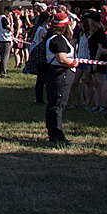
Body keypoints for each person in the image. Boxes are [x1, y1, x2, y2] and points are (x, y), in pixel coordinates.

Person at [43, 9, 79, 144]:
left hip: (55, 74)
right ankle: (57, 134)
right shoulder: (58, 40)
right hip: (60, 74)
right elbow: (62, 59)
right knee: (57, 104)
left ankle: (54, 132)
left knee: (54, 104)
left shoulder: (52, 38)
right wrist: (73, 63)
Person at [0, 11, 14, 78]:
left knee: (3, 57)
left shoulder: (1, 18)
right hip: (6, 41)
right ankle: (3, 73)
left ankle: (2, 72)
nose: (11, 14)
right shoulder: (4, 19)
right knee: (5, 58)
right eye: (11, 12)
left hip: (2, 40)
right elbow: (10, 29)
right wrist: (12, 20)